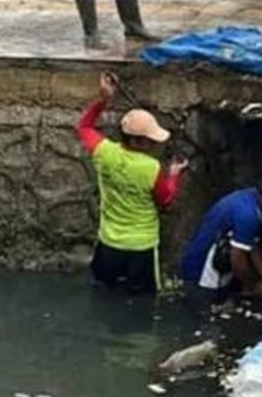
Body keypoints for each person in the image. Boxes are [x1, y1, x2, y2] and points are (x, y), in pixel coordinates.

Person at [77, 72, 187, 294]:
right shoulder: (151, 168)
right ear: (137, 140)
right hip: (141, 247)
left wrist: (103, 100)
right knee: (143, 299)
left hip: (109, 243)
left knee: (104, 292)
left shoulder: (104, 152)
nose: (154, 144)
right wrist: (174, 174)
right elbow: (165, 201)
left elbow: (84, 127)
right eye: (150, 140)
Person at [179, 172, 262, 305]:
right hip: (203, 274)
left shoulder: (248, 198)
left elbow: (253, 247)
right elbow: (238, 261)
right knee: (204, 314)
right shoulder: (248, 215)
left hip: (206, 264)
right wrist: (253, 286)